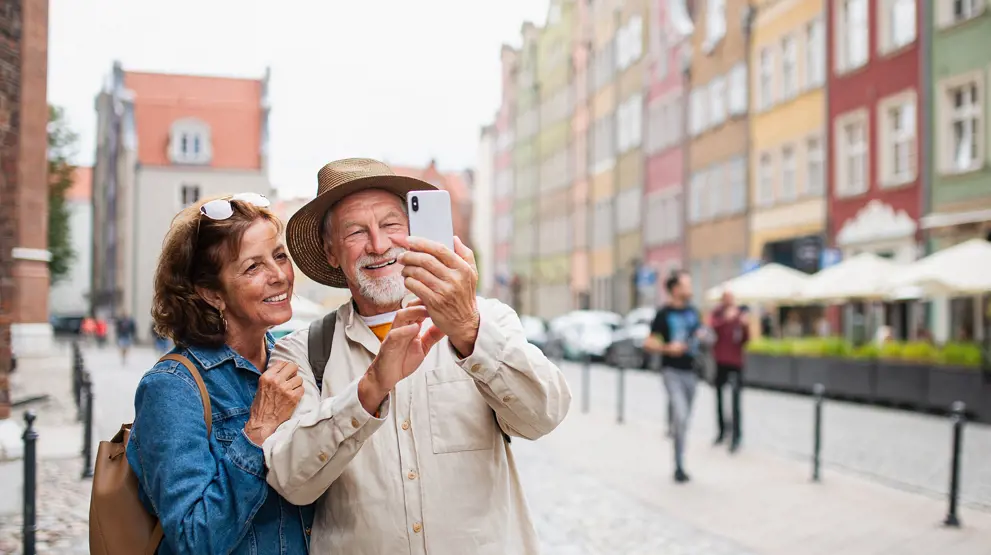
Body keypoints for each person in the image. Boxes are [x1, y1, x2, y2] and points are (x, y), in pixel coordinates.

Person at [261, 157, 572, 554]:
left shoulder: (486, 320)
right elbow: (292, 482)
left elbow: (544, 416)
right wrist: (369, 390)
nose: (378, 245)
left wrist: (469, 331)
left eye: (391, 224)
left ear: (413, 231)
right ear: (331, 251)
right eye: (356, 231)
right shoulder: (302, 351)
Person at [126, 193, 313, 554]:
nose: (279, 276)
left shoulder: (296, 360)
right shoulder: (172, 388)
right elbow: (194, 539)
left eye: (279, 256)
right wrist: (258, 431)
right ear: (212, 293)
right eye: (253, 267)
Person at [644, 269, 704, 483]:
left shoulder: (693, 312)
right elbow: (649, 342)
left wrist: (702, 336)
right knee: (681, 415)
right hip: (672, 371)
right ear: (675, 289)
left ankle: (679, 455)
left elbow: (700, 332)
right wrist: (668, 348)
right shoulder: (664, 314)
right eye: (686, 285)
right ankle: (678, 465)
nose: (690, 289)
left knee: (685, 419)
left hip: (692, 372)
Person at [709, 291, 750, 453]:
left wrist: (744, 325)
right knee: (719, 397)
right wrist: (726, 319)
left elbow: (746, 339)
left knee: (736, 400)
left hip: (736, 362)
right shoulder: (717, 314)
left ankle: (736, 436)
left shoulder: (739, 315)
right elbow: (712, 329)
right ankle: (722, 432)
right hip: (720, 361)